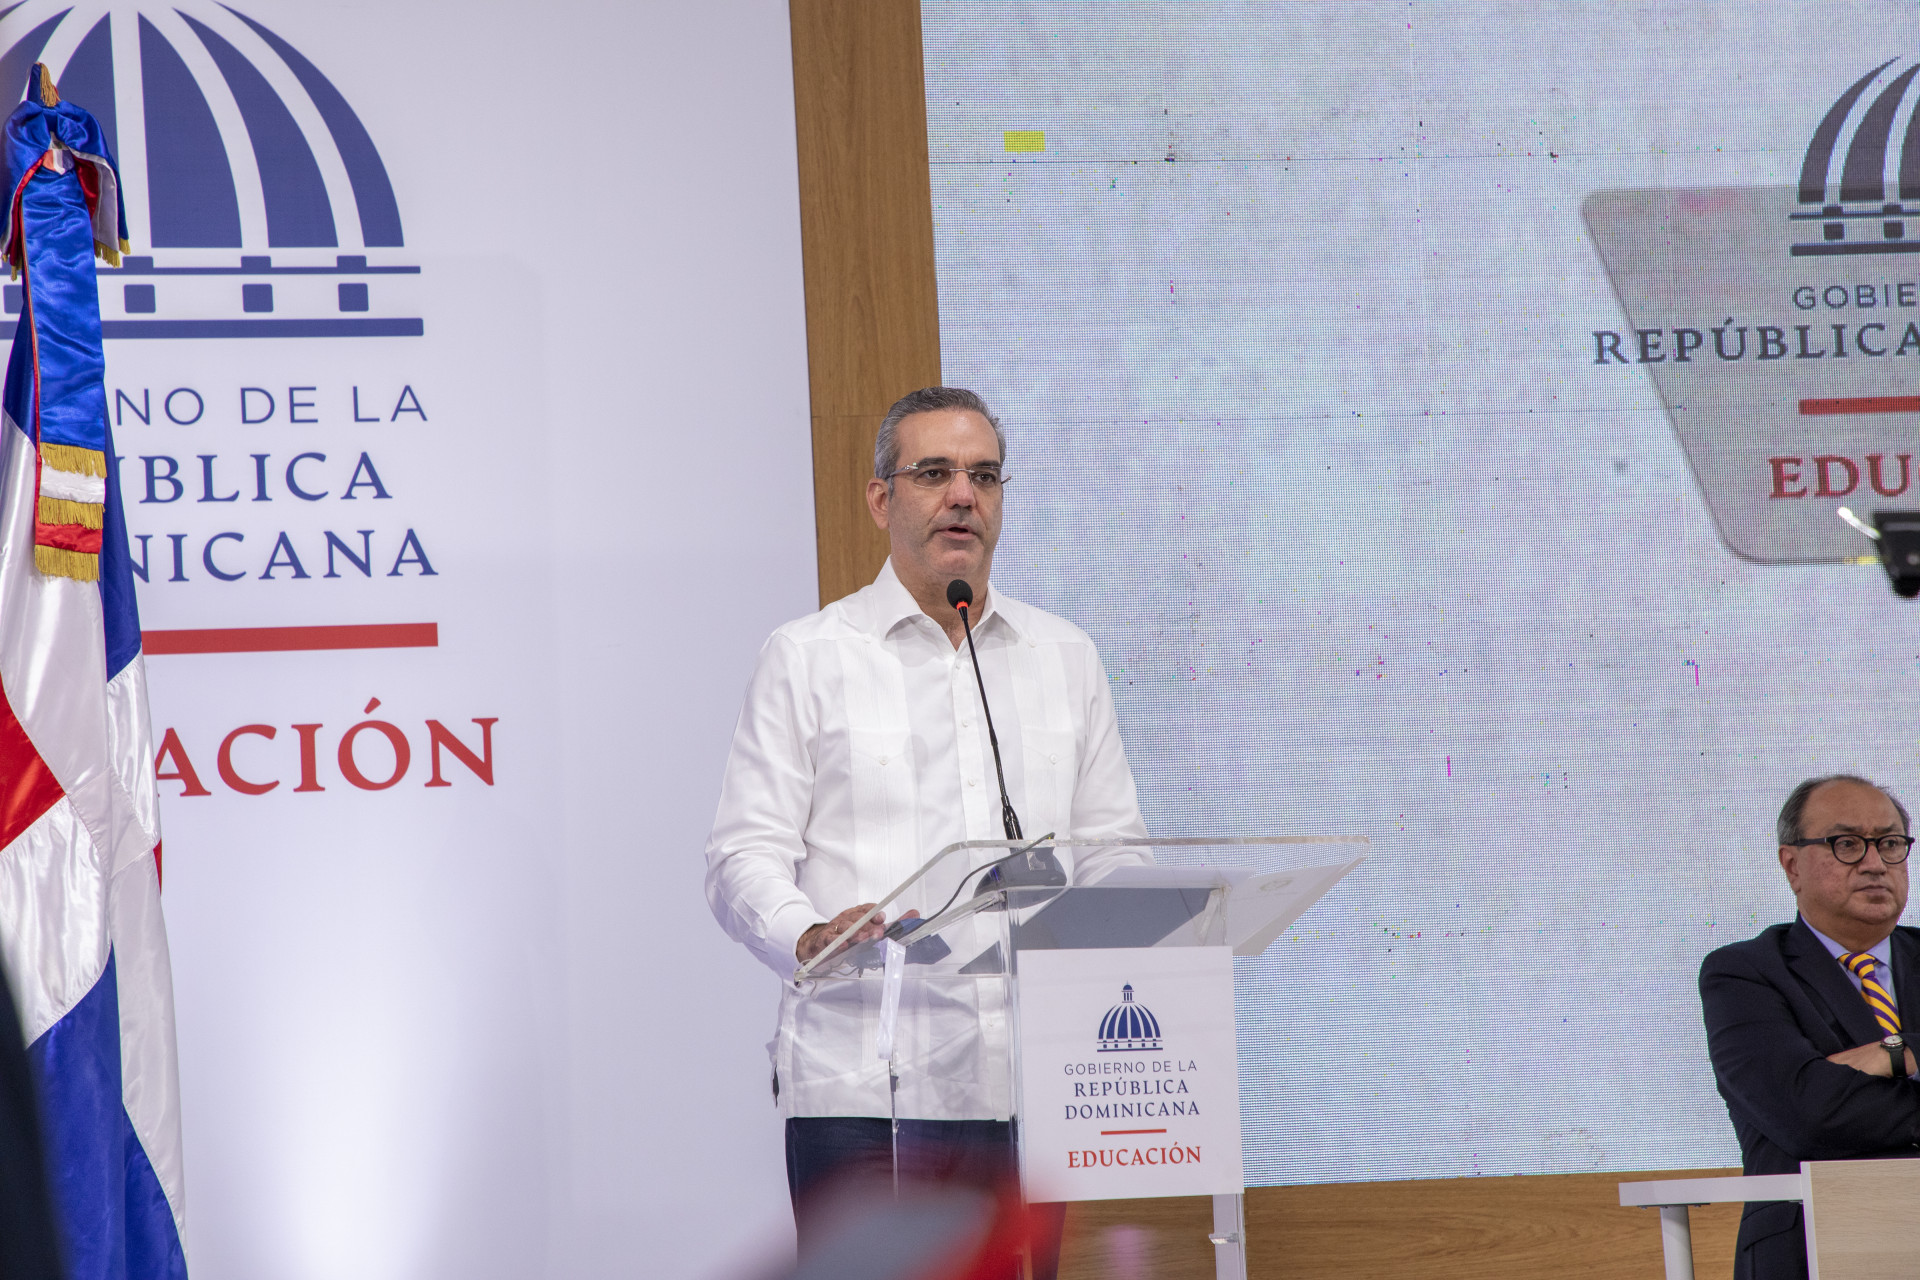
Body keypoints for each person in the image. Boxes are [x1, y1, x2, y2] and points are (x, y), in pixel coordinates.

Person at [705, 387, 1150, 1273]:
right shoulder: (809, 656)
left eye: (984, 476)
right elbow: (740, 855)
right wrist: (809, 933)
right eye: (935, 473)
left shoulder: (1064, 656)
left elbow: (1115, 854)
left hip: (1027, 1084)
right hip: (863, 1086)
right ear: (881, 499)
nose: (962, 496)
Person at [1700, 774, 1920, 1280]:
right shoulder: (1745, 973)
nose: (1874, 863)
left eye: (1890, 844)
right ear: (1792, 864)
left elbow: (1833, 1101)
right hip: (1809, 1251)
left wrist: (1897, 1051)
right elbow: (1807, 1115)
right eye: (1846, 844)